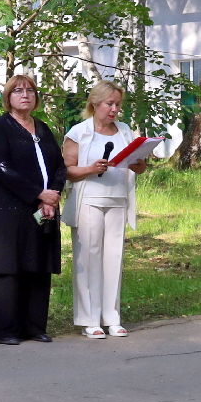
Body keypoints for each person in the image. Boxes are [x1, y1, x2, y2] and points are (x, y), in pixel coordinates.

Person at [0, 73, 65, 345]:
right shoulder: (1, 128)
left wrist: (51, 196)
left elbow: (58, 165)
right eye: (18, 91)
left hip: (39, 209)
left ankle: (34, 326)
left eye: (30, 90)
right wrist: (37, 193)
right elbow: (0, 167)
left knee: (37, 263)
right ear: (8, 98)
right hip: (1, 210)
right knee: (6, 268)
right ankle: (5, 330)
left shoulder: (42, 128)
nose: (25, 95)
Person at [62, 81, 146, 339]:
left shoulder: (125, 131)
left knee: (113, 258)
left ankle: (112, 317)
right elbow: (67, 170)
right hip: (89, 200)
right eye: (110, 103)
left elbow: (139, 166)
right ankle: (90, 319)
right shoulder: (79, 132)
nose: (114, 109)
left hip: (118, 199)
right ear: (95, 103)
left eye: (118, 105)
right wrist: (91, 169)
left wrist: (139, 164)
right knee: (88, 259)